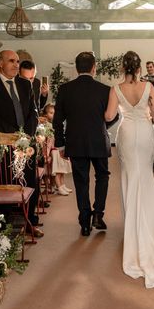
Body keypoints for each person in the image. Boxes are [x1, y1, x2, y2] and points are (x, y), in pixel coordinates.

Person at [104, 51, 154, 289]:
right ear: (139, 68)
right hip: (146, 133)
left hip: (126, 133)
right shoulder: (149, 86)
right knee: (145, 176)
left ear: (122, 68)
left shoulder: (115, 89)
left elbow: (109, 115)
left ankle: (133, 230)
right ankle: (147, 224)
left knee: (129, 177)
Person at [53, 51, 118, 236]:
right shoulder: (105, 90)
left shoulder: (65, 89)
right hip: (99, 140)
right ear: (94, 68)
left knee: (81, 181)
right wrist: (102, 125)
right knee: (102, 177)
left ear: (76, 67)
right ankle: (98, 214)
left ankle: (84, 222)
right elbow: (115, 115)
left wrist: (61, 144)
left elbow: (57, 121)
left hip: (75, 142)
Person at [0, 49, 42, 235]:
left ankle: (30, 221)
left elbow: (34, 112)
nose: (16, 64)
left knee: (30, 183)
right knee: (5, 184)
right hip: (3, 144)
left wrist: (26, 136)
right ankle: (5, 227)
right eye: (11, 61)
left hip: (27, 143)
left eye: (17, 61)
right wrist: (13, 136)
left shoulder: (25, 84)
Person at [42, 103, 73, 195]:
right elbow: (48, 141)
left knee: (62, 170)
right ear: (45, 115)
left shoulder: (55, 124)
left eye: (54, 113)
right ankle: (59, 187)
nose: (53, 115)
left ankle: (63, 185)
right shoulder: (47, 126)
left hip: (58, 148)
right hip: (54, 150)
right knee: (57, 170)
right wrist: (46, 154)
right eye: (51, 113)